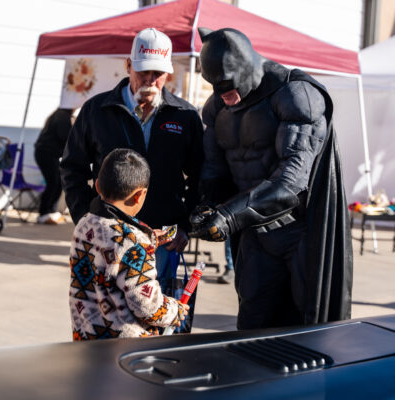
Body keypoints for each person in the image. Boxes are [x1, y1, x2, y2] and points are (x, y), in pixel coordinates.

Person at [190, 27, 353, 330]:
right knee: (252, 324)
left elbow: (291, 181)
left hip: (299, 232)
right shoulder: (216, 109)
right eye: (214, 84)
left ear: (246, 66)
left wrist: (227, 216)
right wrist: (207, 204)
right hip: (254, 233)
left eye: (226, 82)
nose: (222, 91)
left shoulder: (295, 95)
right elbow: (215, 170)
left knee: (309, 329)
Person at [61, 28, 203, 278]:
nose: (150, 79)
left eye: (157, 74)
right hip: (106, 237)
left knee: (154, 313)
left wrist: (184, 226)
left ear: (168, 75)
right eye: (143, 71)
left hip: (162, 240)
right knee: (106, 313)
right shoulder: (96, 111)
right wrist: (86, 219)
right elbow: (72, 168)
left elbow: (200, 174)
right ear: (128, 66)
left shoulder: (185, 116)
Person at [69, 148, 189, 340]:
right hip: (125, 350)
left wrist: (147, 240)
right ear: (139, 195)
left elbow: (111, 249)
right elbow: (146, 306)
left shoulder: (85, 223)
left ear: (98, 186)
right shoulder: (132, 242)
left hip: (86, 336)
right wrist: (174, 310)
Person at [35, 108, 74, 224]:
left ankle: (49, 211)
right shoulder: (62, 115)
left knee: (58, 183)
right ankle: (43, 213)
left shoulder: (61, 114)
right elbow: (66, 137)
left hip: (48, 152)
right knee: (53, 183)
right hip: (46, 152)